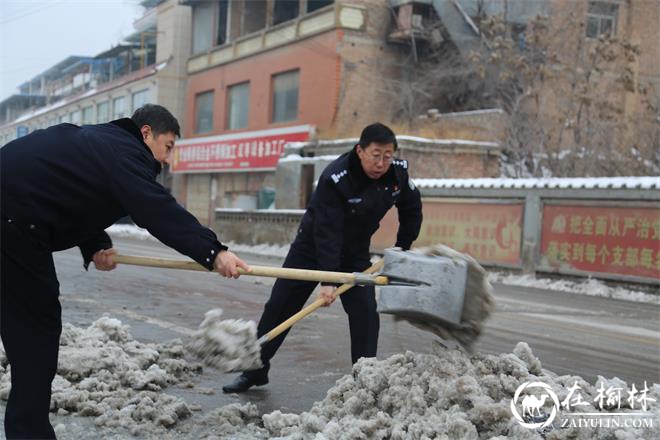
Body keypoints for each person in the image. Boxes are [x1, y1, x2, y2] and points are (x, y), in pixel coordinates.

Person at [0, 104, 250, 439]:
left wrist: (95, 245)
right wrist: (214, 251)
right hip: (13, 222)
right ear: (146, 133)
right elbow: (155, 208)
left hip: (14, 215)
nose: (167, 159)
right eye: (168, 147)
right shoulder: (125, 152)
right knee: (35, 333)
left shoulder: (103, 143)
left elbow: (72, 193)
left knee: (23, 327)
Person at [223, 122, 422, 393]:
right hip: (311, 248)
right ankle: (255, 371)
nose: (382, 163)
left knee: (365, 311)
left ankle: (364, 378)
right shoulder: (336, 177)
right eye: (376, 155)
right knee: (280, 306)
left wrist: (403, 248)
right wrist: (327, 281)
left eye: (388, 156)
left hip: (354, 253)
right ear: (360, 151)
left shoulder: (397, 175)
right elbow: (327, 230)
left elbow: (412, 208)